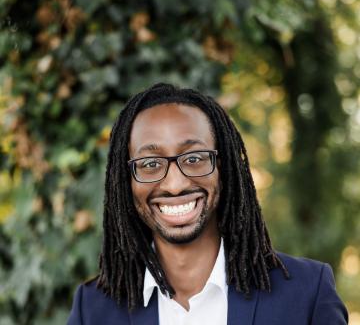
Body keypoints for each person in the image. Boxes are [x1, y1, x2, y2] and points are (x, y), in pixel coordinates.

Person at [68, 83, 348, 324]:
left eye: (193, 158)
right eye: (150, 163)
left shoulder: (307, 293)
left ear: (223, 169)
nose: (174, 184)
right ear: (124, 180)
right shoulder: (92, 309)